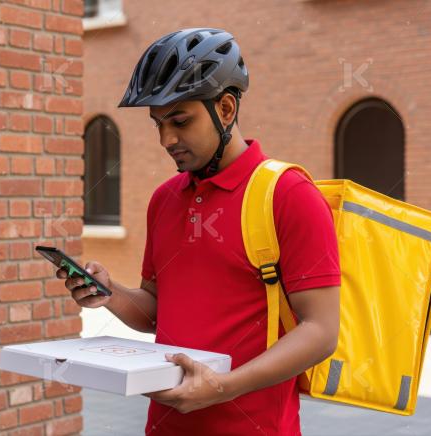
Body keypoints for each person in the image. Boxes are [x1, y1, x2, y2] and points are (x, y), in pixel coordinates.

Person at [55, 28, 341, 435]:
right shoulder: (164, 199)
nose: (166, 139)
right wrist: (109, 293)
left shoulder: (289, 194)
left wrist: (222, 388)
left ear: (225, 109)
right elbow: (156, 310)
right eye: (158, 124)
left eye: (180, 120)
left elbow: (321, 331)